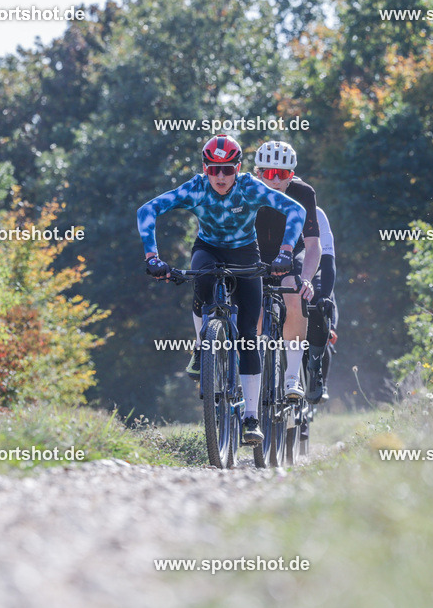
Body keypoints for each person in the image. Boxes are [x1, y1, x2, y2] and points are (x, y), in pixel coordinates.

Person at [137, 134, 306, 445]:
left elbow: (296, 211)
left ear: (238, 168)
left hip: (245, 253)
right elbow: (147, 211)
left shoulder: (251, 186)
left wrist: (285, 251)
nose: (220, 177)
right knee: (200, 282)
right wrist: (152, 257)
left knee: (247, 337)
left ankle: (251, 419)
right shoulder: (195, 187)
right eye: (213, 169)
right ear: (205, 168)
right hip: (209, 249)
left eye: (227, 169)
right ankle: (203, 346)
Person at [252, 140, 321, 400]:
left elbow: (314, 244)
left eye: (284, 174)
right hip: (255, 254)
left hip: (291, 253)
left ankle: (292, 376)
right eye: (269, 173)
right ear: (258, 173)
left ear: (292, 174)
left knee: (295, 295)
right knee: (253, 310)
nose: (276, 180)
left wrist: (307, 279)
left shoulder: (303, 192)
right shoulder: (245, 190)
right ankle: (249, 368)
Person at [309, 205, 337, 402]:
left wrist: (325, 295)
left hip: (315, 270)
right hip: (284, 268)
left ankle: (317, 374)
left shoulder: (318, 214)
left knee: (320, 300)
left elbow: (328, 262)